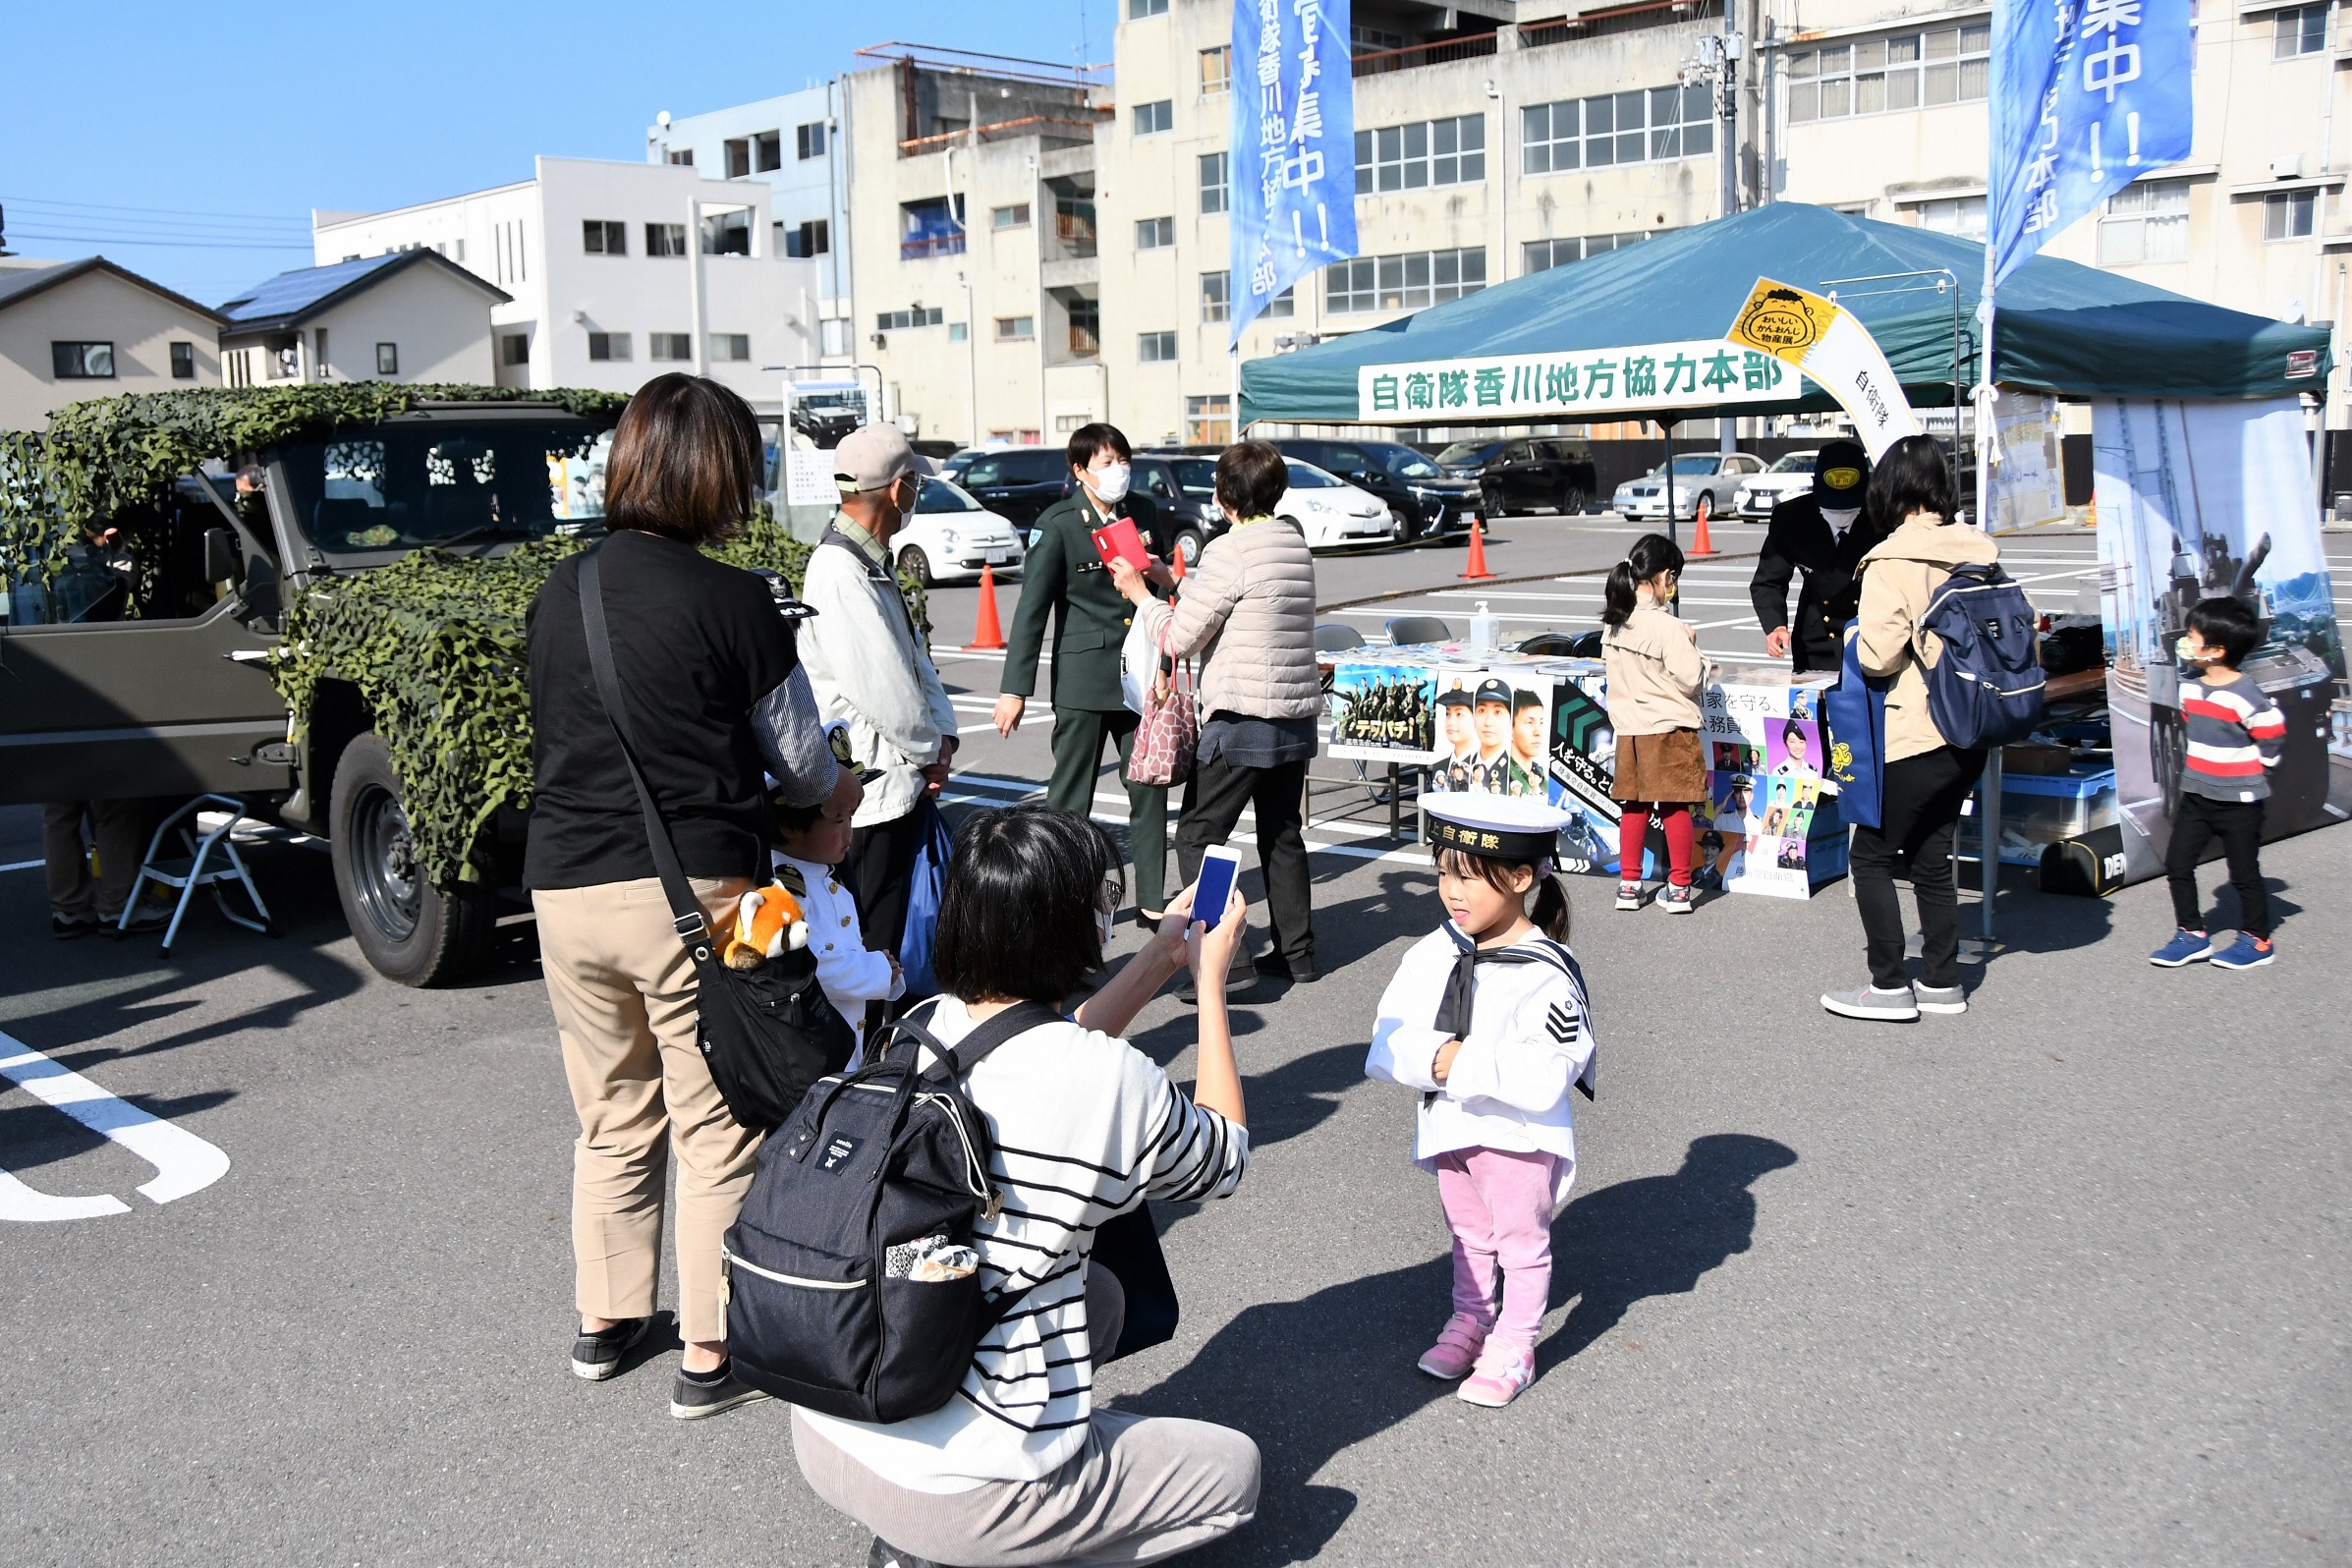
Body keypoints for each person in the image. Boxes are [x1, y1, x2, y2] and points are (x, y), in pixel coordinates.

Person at [791, 808, 1259, 1568]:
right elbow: (1224, 1157)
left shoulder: (920, 1026)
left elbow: (1047, 1040)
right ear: (1073, 930)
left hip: (831, 1426)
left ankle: (919, 1536)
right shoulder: (1109, 1083)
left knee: (1099, 1297)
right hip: (969, 1497)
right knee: (1234, 1473)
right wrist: (1210, 987)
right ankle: (977, 1550)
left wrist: (1157, 962)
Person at [525, 372, 837, 1419]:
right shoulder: (733, 599)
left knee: (609, 1115)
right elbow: (801, 760)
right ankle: (709, 1349)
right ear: (717, 476)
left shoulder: (553, 596)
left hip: (565, 890)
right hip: (696, 893)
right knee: (717, 1123)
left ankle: (606, 1322)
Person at [1364, 794, 1596, 1411]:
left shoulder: (1548, 969)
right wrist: (1428, 1059)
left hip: (1517, 1137)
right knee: (1466, 1231)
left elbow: (1548, 1073)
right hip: (1451, 1126)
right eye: (1443, 872)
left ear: (1521, 877)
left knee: (1521, 1242)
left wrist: (1448, 1061)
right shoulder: (1433, 951)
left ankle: (1516, 1343)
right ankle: (1472, 1319)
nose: (1451, 891)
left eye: (1468, 877)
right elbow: (1385, 1038)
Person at [1109, 439, 1321, 984]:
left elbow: (1180, 636)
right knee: (1281, 832)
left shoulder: (1229, 549)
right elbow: (1241, 602)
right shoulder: (1292, 543)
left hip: (1243, 716)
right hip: (1292, 715)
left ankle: (1230, 963)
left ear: (1225, 496)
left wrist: (1140, 594)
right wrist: (1172, 580)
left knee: (1199, 836)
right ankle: (1297, 954)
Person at [1820, 434, 1999, 1023]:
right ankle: (1944, 982)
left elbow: (1878, 657)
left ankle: (1890, 986)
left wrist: (1853, 637)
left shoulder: (1892, 562)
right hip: (1970, 731)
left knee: (1870, 854)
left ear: (1888, 492)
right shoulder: (1980, 550)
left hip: (1916, 730)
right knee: (1930, 854)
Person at [993, 423, 1171, 924]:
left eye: (1123, 459)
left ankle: (1154, 904)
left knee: (1150, 789)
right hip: (1083, 680)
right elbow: (1032, 611)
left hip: (1139, 678)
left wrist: (1162, 666)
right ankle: (1064, 904)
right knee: (1071, 802)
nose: (1118, 471)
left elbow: (1155, 598)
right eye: (1106, 462)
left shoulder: (1145, 512)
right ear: (1079, 470)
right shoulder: (1059, 524)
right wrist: (1014, 690)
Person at [800, 422, 961, 964]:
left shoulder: (868, 559)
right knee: (876, 942)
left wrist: (944, 739)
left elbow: (915, 662)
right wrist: (927, 751)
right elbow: (885, 688)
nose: (916, 493)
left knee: (894, 937)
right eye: (914, 483)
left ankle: (888, 1035)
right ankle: (874, 1046)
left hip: (897, 780)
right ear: (898, 490)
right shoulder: (840, 570)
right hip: (872, 792)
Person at [2150, 595, 2288, 971]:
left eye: (2192, 636)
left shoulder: (2245, 695)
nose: (2184, 641)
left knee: (2243, 873)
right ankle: (2191, 934)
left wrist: (2260, 770)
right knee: (2178, 863)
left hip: (2239, 801)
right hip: (2196, 794)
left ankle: (2258, 941)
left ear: (2216, 650)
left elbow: (2272, 732)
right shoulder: (2189, 688)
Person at [771, 727, 905, 1041]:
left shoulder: (822, 875)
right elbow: (808, 967)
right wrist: (877, 970)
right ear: (790, 824)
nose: (849, 833)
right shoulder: (784, 889)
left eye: (852, 817)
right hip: (811, 1048)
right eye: (838, 819)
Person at [1599, 532, 1707, 914]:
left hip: (1630, 729)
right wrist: (1692, 642)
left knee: (1634, 806)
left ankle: (1629, 885)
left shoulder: (1614, 624)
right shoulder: (1669, 628)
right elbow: (1691, 679)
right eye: (1674, 578)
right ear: (1664, 577)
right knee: (1675, 807)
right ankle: (1679, 888)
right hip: (1669, 727)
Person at [1748, 441, 1887, 673]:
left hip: (1872, 636)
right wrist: (1776, 625)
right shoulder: (1792, 518)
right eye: (1832, 508)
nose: (1840, 515)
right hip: (1815, 639)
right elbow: (1768, 581)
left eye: (1848, 509)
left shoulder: (1882, 518)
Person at [1435, 685, 1477, 791]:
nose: (1450, 722)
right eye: (1448, 714)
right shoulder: (1439, 766)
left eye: (1459, 714)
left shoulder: (1480, 769)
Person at [1508, 689, 1546, 797]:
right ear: (1510, 727)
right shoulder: (1505, 773)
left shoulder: (1541, 774)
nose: (1538, 732)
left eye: (1541, 722)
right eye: (1529, 722)